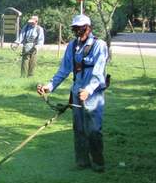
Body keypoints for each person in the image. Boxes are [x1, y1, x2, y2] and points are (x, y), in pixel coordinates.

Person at [37, 14, 108, 172]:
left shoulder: (99, 45)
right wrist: (49, 86)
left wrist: (88, 90)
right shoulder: (72, 46)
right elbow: (63, 70)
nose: (78, 31)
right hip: (77, 93)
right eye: (75, 28)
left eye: (81, 28)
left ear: (88, 28)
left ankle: (98, 163)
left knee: (94, 130)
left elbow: (98, 73)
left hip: (93, 95)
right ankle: (82, 162)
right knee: (79, 129)